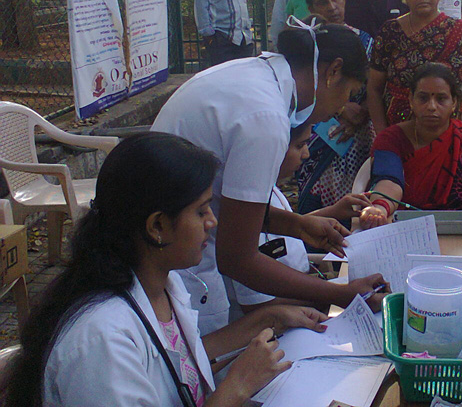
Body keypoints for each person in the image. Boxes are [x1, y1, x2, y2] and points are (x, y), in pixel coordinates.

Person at [5, 132, 330, 407]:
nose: (212, 222)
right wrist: (238, 386)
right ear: (157, 226)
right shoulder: (101, 342)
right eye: (201, 211)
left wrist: (270, 318)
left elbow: (179, 359)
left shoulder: (161, 283)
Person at [152, 21, 389, 335]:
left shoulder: (256, 76)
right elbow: (237, 259)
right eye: (348, 93)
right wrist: (341, 294)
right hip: (172, 252)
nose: (341, 108)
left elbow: (235, 208)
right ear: (333, 71)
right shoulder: (266, 116)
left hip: (170, 235)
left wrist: (297, 225)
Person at [228, 123, 371, 313]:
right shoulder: (248, 207)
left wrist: (330, 212)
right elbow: (258, 304)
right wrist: (334, 298)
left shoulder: (270, 189)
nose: (306, 154)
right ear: (271, 149)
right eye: (299, 146)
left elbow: (284, 227)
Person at [360, 63, 462, 228]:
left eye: (441, 99)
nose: (431, 106)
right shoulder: (391, 139)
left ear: (454, 102)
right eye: (423, 98)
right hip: (401, 230)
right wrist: (380, 208)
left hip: (460, 232)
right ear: (411, 100)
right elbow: (389, 180)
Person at [367, 0, 462, 135]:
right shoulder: (390, 32)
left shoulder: (459, 32)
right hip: (399, 133)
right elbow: (374, 88)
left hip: (450, 134)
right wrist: (382, 136)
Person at [295, 0, 376, 213]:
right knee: (314, 192)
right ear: (311, 8)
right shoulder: (310, 44)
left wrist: (360, 115)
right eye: (322, 2)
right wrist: (340, 109)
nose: (331, 7)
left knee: (358, 195)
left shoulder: (365, 41)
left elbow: (376, 87)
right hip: (318, 130)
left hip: (359, 133)